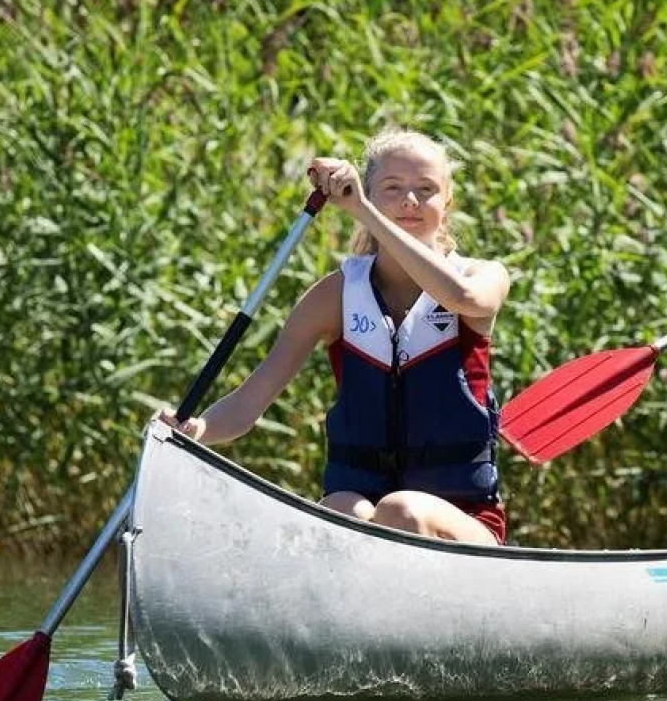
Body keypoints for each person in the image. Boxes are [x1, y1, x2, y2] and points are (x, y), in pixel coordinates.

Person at [161, 128, 511, 545]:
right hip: (365, 507)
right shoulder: (336, 296)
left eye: (426, 189)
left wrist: (364, 211)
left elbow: (462, 298)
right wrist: (193, 430)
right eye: (393, 188)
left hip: (464, 520)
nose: (410, 201)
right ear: (370, 193)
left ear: (448, 200)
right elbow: (248, 403)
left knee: (402, 510)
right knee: (342, 507)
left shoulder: (482, 276)